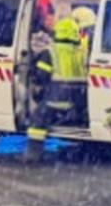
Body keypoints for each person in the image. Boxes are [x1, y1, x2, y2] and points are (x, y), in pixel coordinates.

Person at [24, 17, 89, 163]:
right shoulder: (80, 53)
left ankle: (33, 154)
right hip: (78, 103)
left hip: (55, 102)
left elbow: (41, 76)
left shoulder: (50, 52)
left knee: (37, 121)